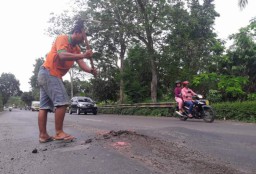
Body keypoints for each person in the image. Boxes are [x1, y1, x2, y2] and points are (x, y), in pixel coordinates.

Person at [37, 19, 96, 143]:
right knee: (62, 102)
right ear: (76, 32)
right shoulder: (62, 38)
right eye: (82, 37)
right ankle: (59, 133)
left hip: (46, 74)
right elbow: (62, 55)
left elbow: (82, 64)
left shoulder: (76, 48)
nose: (82, 40)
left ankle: (43, 135)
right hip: (49, 72)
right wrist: (84, 55)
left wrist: (91, 70)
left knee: (44, 106)